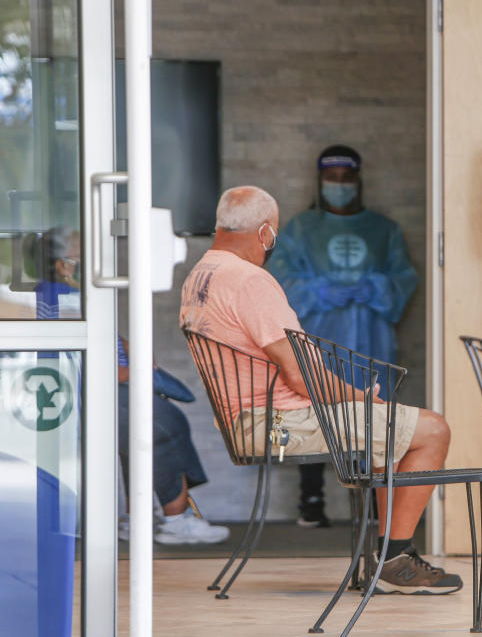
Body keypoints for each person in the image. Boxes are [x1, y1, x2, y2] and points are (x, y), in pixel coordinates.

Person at [180, 186, 460, 594]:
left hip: (247, 421)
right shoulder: (248, 280)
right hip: (276, 422)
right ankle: (395, 559)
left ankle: (386, 559)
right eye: (272, 233)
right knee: (432, 430)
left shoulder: (201, 274)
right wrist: (362, 399)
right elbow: (301, 375)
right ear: (264, 233)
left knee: (387, 432)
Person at [34, 227, 229, 545]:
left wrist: (132, 349)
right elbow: (78, 363)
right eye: (85, 257)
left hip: (112, 388)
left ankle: (137, 519)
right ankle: (176, 519)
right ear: (63, 265)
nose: (96, 264)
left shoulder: (74, 295)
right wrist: (133, 372)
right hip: (87, 396)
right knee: (162, 425)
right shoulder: (54, 299)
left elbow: (107, 339)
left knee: (149, 426)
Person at [268, 145, 418, 528]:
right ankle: (311, 499)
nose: (339, 185)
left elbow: (404, 277)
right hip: (320, 333)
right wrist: (317, 291)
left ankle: (372, 505)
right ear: (320, 181)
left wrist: (378, 287)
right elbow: (280, 280)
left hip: (371, 336)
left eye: (346, 178)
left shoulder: (384, 230)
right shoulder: (301, 229)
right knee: (318, 407)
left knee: (373, 413)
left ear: (358, 180)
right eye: (332, 179)